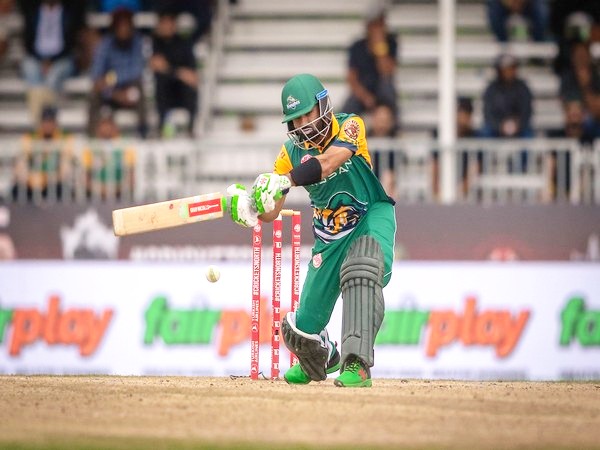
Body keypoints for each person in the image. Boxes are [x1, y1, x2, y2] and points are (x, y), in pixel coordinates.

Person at [228, 73, 396, 387]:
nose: (304, 123)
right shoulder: (288, 154)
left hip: (370, 214)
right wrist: (253, 208)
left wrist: (287, 180)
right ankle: (321, 359)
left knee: (362, 269)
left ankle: (356, 365)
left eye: (307, 113)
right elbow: (272, 212)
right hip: (329, 236)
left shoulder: (350, 125)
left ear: (323, 106)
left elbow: (332, 160)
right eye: (296, 119)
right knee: (300, 329)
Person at [19, 0, 85, 123]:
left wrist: (52, 61)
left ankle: (46, 122)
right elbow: (28, 42)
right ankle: (42, 124)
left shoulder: (70, 11)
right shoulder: (32, 10)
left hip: (63, 59)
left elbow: (71, 43)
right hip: (36, 58)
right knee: (30, 70)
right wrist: (42, 60)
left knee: (53, 76)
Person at [88, 7, 147, 138]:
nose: (124, 29)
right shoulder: (105, 44)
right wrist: (114, 92)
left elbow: (136, 70)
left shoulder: (137, 42)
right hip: (110, 92)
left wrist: (111, 79)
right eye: (121, 26)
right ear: (115, 27)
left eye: (127, 25)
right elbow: (96, 75)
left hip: (129, 90)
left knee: (139, 89)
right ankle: (91, 136)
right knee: (94, 91)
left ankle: (143, 133)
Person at [342, 1, 398, 120]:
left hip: (383, 90)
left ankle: (394, 132)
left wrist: (380, 46)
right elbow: (352, 79)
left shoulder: (391, 43)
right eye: (375, 24)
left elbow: (387, 72)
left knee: (389, 92)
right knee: (347, 111)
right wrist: (366, 97)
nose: (379, 27)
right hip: (362, 91)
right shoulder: (357, 46)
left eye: (381, 23)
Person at [150, 8, 199, 137]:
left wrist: (169, 69)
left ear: (174, 24)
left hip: (181, 92)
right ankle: (161, 128)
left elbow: (193, 77)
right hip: (166, 91)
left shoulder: (185, 43)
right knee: (161, 82)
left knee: (191, 88)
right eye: (164, 23)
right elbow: (156, 66)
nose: (167, 26)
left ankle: (191, 128)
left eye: (169, 22)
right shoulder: (155, 43)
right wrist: (180, 73)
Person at [11, 105, 75, 203]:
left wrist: (47, 180)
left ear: (55, 123)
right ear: (40, 122)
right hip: (32, 182)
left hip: (54, 182)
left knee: (65, 190)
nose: (47, 125)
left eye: (50, 121)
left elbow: (65, 168)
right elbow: (20, 165)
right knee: (16, 190)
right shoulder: (30, 138)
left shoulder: (64, 139)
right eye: (45, 121)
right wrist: (32, 179)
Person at [481, 53, 534, 139]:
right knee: (486, 132)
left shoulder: (523, 88)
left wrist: (517, 124)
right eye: (505, 68)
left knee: (528, 134)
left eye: (511, 68)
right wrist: (500, 126)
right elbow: (488, 114)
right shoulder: (491, 89)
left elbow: (527, 112)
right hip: (496, 129)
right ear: (499, 70)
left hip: (519, 128)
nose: (508, 71)